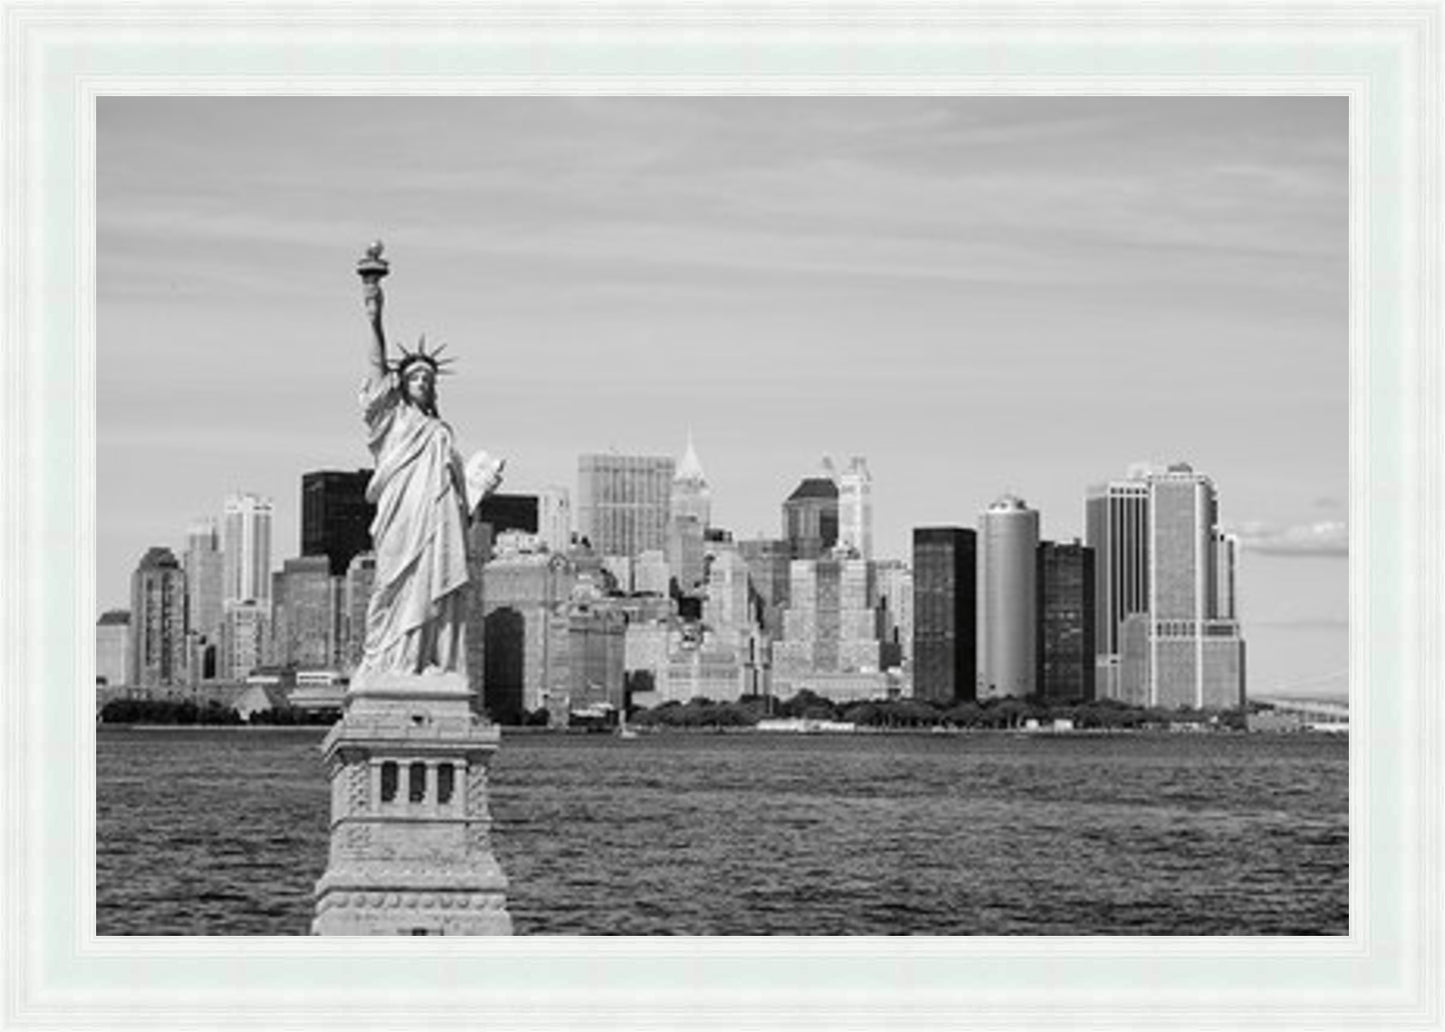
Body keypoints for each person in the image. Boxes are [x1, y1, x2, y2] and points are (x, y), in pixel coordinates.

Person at [354, 266, 503, 681]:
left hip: (439, 524)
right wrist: (374, 312)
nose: (421, 381)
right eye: (414, 375)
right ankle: (390, 662)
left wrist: (479, 488)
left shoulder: (442, 432)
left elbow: (457, 496)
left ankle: (428, 663)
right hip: (402, 518)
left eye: (428, 378)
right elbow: (374, 366)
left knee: (437, 587)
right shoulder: (392, 418)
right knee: (394, 587)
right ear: (401, 383)